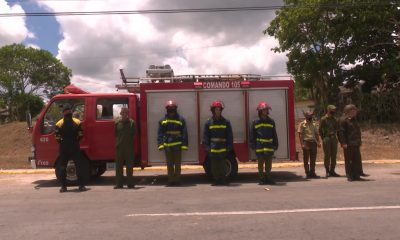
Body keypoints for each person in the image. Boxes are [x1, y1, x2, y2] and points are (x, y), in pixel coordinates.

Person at [55, 104, 87, 192]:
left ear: (63, 113)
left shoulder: (58, 123)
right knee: (78, 165)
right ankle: (81, 186)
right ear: (71, 112)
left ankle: (63, 187)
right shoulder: (77, 122)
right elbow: (81, 135)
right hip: (75, 145)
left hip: (64, 146)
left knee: (62, 166)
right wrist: (75, 141)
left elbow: (57, 138)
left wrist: (63, 143)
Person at [157, 100, 188, 186]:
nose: (171, 110)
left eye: (172, 109)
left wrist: (184, 145)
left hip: (177, 146)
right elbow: (160, 134)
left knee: (177, 165)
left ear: (175, 109)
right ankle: (170, 181)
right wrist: (160, 144)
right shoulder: (162, 121)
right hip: (167, 146)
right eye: (169, 109)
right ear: (167, 109)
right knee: (169, 165)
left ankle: (177, 180)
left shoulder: (181, 119)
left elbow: (184, 133)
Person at [203, 100, 233, 185]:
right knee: (214, 166)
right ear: (213, 111)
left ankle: (222, 180)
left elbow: (229, 136)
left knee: (223, 166)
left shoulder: (226, 122)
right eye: (216, 109)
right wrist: (207, 148)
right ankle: (216, 180)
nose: (218, 111)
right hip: (213, 148)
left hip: (223, 148)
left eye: (219, 109)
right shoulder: (208, 123)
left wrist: (229, 147)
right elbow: (206, 137)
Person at [250, 101, 279, 185]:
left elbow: (274, 134)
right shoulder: (255, 122)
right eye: (263, 110)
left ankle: (268, 178)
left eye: (266, 110)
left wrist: (276, 144)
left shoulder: (271, 121)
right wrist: (252, 145)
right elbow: (252, 134)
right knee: (260, 165)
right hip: (259, 146)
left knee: (268, 165)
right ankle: (261, 179)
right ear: (260, 111)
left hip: (269, 146)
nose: (265, 112)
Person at [338, 104, 368, 181]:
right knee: (349, 160)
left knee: (356, 160)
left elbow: (357, 132)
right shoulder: (343, 120)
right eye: (354, 110)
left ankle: (356, 175)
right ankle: (349, 175)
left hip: (355, 143)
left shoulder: (354, 119)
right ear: (349, 111)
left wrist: (359, 141)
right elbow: (341, 133)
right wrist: (343, 143)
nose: (355, 112)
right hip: (348, 144)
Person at [114, 107, 135, 189]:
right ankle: (119, 184)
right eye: (123, 113)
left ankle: (130, 184)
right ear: (120, 114)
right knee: (119, 167)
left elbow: (133, 134)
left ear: (128, 114)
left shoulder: (132, 123)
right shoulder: (117, 123)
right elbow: (115, 135)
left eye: (126, 113)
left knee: (129, 167)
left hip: (129, 148)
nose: (124, 114)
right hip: (119, 148)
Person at [298, 110, 321, 178]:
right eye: (309, 115)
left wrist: (319, 142)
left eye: (311, 115)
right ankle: (307, 173)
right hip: (306, 142)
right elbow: (300, 135)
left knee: (313, 159)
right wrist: (302, 144)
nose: (311, 116)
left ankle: (312, 172)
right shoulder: (302, 124)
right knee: (306, 159)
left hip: (313, 143)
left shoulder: (314, 124)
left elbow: (316, 134)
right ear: (306, 116)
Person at [319, 105, 340, 178]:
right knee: (327, 155)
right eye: (332, 110)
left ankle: (332, 171)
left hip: (334, 138)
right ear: (328, 110)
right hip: (327, 138)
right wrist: (323, 138)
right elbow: (320, 130)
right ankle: (327, 171)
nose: (333, 111)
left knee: (334, 155)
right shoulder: (323, 119)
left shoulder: (335, 119)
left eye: (334, 110)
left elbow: (337, 129)